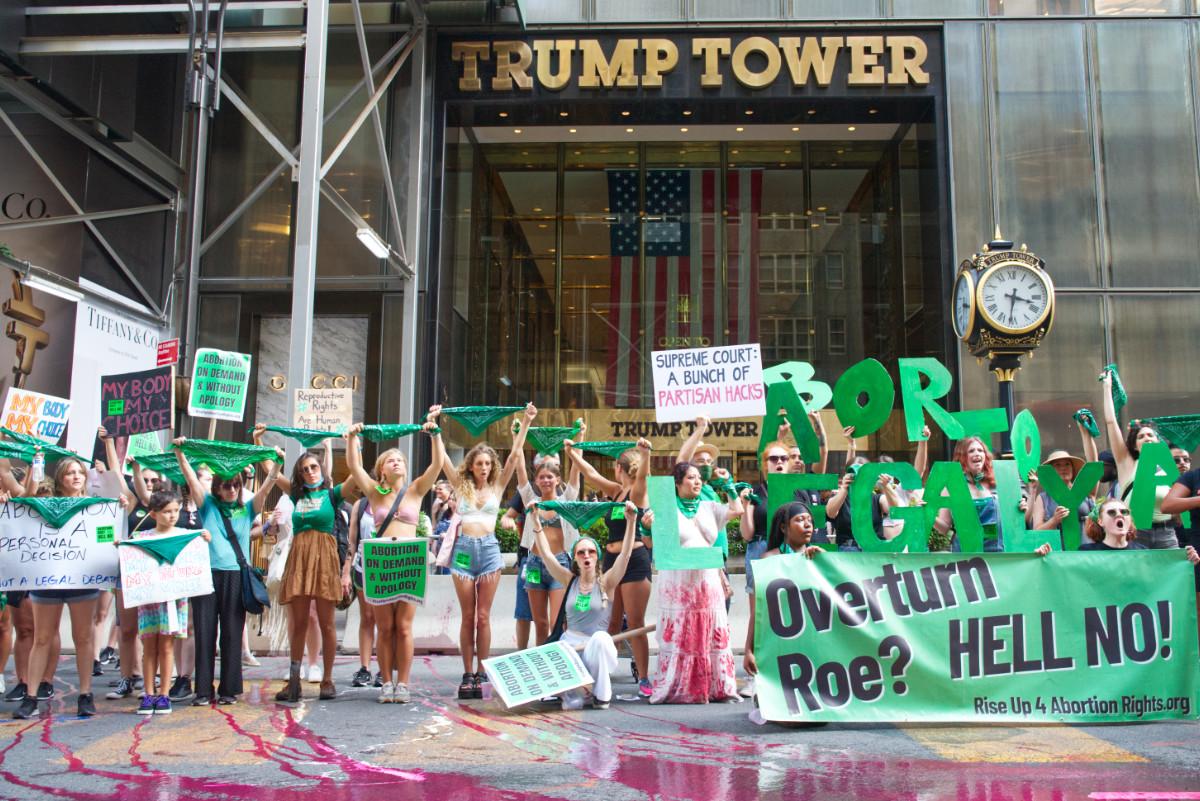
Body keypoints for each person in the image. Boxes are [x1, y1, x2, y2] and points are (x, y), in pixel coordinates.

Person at [342, 410, 445, 703]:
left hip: (410, 561)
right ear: (382, 470)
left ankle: (404, 684)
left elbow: (437, 465)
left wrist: (435, 434)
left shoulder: (416, 490)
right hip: (382, 562)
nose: (397, 461)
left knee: (404, 627)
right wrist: (352, 438)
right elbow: (354, 465)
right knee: (384, 626)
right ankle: (386, 682)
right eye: (391, 460)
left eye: (400, 459)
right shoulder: (374, 493)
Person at [173, 437, 281, 707]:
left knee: (233, 633)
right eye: (226, 486)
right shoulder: (207, 504)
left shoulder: (247, 509)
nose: (232, 490)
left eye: (236, 485)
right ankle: (203, 690)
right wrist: (180, 452)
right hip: (207, 575)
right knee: (205, 632)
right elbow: (190, 477)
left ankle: (229, 690)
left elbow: (269, 485)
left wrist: (277, 461)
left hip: (235, 575)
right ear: (217, 488)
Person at [442, 404, 534, 700]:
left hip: (490, 552)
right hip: (465, 552)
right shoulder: (460, 486)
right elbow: (443, 461)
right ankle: (467, 672)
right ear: (470, 465)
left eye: (487, 463)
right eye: (479, 463)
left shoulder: (497, 486)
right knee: (467, 616)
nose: (484, 467)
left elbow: (514, 457)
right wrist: (434, 430)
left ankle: (482, 672)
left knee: (484, 616)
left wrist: (526, 422)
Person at [263, 431, 359, 704]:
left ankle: (327, 679)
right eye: (305, 469)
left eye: (314, 467)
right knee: (299, 622)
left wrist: (352, 441)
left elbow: (356, 473)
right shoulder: (295, 495)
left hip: (325, 558)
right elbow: (270, 470)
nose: (310, 472)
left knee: (327, 623)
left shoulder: (333, 495)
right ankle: (294, 679)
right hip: (300, 558)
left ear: (321, 468)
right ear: (300, 474)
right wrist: (261, 443)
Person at [11, 458, 102, 719]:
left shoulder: (96, 506)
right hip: (48, 578)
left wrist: (119, 508)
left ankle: (85, 694)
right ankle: (31, 696)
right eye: (70, 473)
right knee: (42, 637)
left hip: (81, 578)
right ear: (61, 478)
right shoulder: (46, 504)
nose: (76, 477)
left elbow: (106, 532)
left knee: (83, 638)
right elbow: (23, 507)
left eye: (79, 472)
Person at [647, 462, 743, 705]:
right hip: (678, 584)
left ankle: (718, 687)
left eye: (699, 477)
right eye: (690, 478)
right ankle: (680, 686)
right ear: (677, 483)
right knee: (681, 631)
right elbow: (649, 544)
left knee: (712, 629)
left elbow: (737, 511)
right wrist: (644, 526)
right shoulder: (665, 509)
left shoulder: (710, 507)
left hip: (707, 581)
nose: (697, 481)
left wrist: (729, 487)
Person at [529, 499, 639, 710]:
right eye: (581, 552)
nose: (586, 555)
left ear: (597, 557)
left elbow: (625, 555)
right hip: (570, 647)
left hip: (597, 650)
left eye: (591, 552)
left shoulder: (607, 582)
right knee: (569, 692)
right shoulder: (568, 579)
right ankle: (576, 690)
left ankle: (601, 696)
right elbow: (546, 554)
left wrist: (631, 521)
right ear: (575, 559)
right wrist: (535, 519)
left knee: (600, 639)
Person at [564, 437, 653, 696]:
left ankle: (645, 678)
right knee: (611, 623)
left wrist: (645, 454)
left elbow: (645, 478)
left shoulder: (637, 490)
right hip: (612, 561)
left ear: (619, 467)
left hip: (634, 560)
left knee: (635, 622)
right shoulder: (617, 491)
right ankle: (600, 675)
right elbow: (590, 474)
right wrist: (572, 454)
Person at [132, 489, 211, 715]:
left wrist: (206, 537)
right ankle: (148, 693)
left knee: (166, 646)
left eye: (176, 511)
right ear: (154, 514)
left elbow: (200, 550)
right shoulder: (143, 537)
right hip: (148, 599)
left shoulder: (184, 535)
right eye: (167, 512)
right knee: (149, 647)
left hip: (173, 598)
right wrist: (123, 545)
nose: (172, 515)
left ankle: (164, 693)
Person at [743, 501, 824, 683]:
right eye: (800, 520)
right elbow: (758, 612)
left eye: (809, 520)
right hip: (780, 644)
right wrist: (748, 650)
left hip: (812, 642)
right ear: (783, 527)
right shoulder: (769, 560)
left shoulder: (819, 558)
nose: (807, 524)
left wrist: (825, 561)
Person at [1100, 371, 1177, 549]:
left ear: (1158, 441)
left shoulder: (1167, 467)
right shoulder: (1127, 463)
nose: (1147, 438)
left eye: (1151, 435)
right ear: (1134, 445)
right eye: (1141, 436)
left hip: (1167, 533)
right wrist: (1106, 387)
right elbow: (1111, 422)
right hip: (1137, 533)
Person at [514, 445, 582, 646]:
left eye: (549, 477)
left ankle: (559, 661)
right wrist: (517, 436)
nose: (545, 480)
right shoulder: (530, 500)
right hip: (534, 564)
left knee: (557, 622)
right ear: (536, 480)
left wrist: (577, 441)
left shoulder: (566, 501)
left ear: (557, 480)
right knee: (541, 623)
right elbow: (519, 469)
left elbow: (576, 471)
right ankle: (541, 665)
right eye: (542, 477)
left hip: (559, 564)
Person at [932, 437, 1014, 553]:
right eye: (971, 451)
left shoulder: (996, 483)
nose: (977, 454)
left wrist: (1022, 506)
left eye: (980, 451)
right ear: (962, 457)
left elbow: (1013, 521)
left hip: (997, 555)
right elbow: (944, 527)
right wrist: (927, 514)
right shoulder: (951, 488)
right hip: (966, 558)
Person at [345, 493, 379, 688]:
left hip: (387, 568)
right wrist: (346, 572)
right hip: (363, 567)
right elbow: (352, 540)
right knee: (366, 617)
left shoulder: (398, 499)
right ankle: (364, 668)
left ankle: (385, 668)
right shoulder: (361, 505)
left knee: (384, 621)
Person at [1031, 450, 1096, 545]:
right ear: (1050, 471)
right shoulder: (1043, 498)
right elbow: (1036, 532)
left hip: (1087, 552)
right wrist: (1054, 520)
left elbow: (1094, 464)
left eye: (1067, 464)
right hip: (1058, 553)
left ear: (1073, 469)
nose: (1063, 468)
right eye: (1057, 465)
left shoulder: (1085, 492)